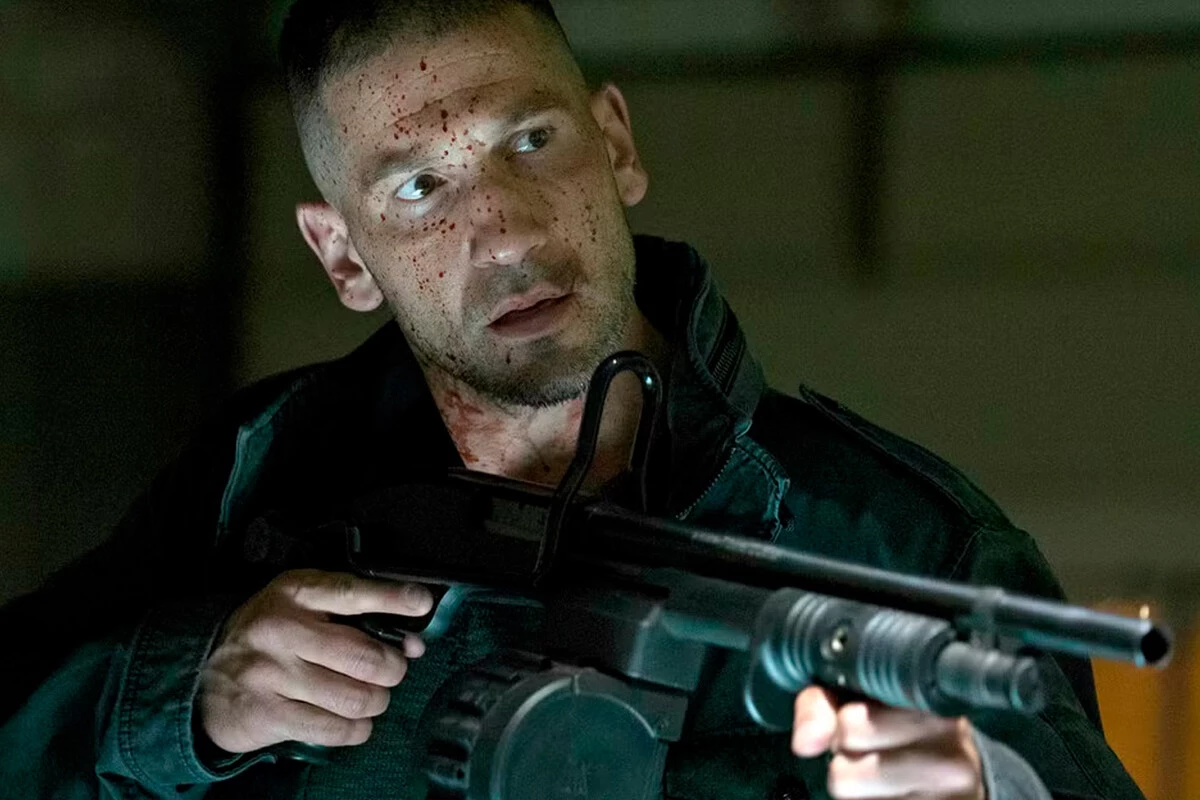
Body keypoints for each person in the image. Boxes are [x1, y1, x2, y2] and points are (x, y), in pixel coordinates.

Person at [0, 1, 1147, 799]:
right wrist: (182, 695)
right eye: (420, 186)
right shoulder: (260, 477)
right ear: (343, 255)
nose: (503, 231)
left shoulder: (898, 545)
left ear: (616, 144)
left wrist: (997, 787)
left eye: (531, 140)